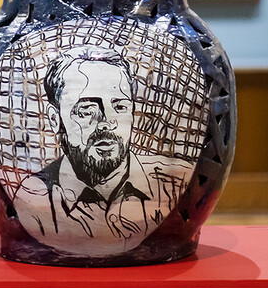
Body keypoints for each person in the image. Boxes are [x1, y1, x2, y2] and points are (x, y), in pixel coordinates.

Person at [11, 49, 190, 253]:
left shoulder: (175, 181)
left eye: (120, 107)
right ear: (55, 119)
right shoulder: (34, 198)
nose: (107, 123)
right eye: (86, 110)